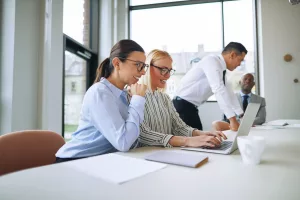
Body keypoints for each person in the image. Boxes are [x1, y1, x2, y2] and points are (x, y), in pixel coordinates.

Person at [55, 39, 148, 163]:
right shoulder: (100, 92)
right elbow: (123, 142)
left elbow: (134, 137)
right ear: (117, 63)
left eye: (144, 66)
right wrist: (137, 101)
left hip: (102, 160)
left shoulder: (124, 95)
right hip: (76, 160)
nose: (142, 72)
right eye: (138, 65)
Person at [137, 49, 226, 148]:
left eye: (170, 71)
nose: (167, 76)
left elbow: (179, 128)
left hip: (165, 152)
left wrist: (204, 134)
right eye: (163, 70)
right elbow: (143, 134)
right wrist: (187, 141)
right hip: (145, 155)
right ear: (147, 67)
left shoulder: (164, 98)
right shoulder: (134, 97)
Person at [173, 42, 248, 131]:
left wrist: (243, 117)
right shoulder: (212, 61)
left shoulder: (222, 70)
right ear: (232, 55)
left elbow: (229, 94)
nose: (239, 64)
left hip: (189, 107)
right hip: (182, 105)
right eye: (240, 60)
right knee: (196, 140)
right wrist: (232, 119)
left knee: (198, 138)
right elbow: (218, 90)